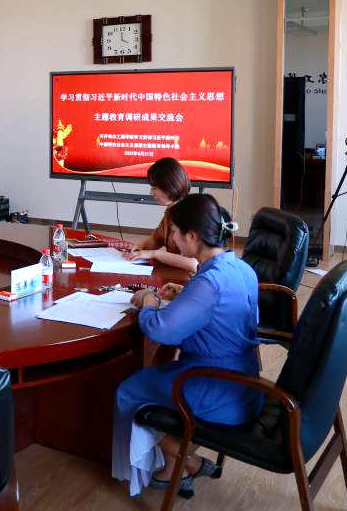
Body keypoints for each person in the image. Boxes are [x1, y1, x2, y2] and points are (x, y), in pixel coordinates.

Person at [111, 194, 260, 498]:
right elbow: (227, 313)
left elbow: (160, 330)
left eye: (176, 233)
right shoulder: (241, 268)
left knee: (127, 393)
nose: (173, 240)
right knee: (161, 374)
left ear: (192, 236)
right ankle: (177, 466)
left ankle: (187, 462)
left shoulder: (208, 283)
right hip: (246, 381)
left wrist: (149, 300)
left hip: (214, 385)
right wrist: (186, 294)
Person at [124, 157, 198, 274]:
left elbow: (194, 264)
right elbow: (157, 239)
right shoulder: (171, 211)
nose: (151, 193)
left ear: (169, 186)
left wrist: (155, 254)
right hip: (174, 273)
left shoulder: (191, 214)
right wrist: (139, 247)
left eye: (154, 188)